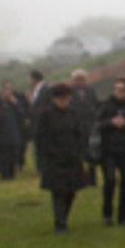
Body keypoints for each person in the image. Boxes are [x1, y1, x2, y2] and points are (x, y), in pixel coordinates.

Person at [34, 82, 88, 233]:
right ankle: (60, 223)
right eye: (61, 99)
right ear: (54, 99)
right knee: (58, 191)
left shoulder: (73, 114)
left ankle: (64, 216)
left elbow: (80, 134)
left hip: (72, 158)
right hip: (55, 159)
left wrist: (80, 151)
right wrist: (50, 153)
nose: (64, 102)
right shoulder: (46, 114)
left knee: (71, 191)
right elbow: (40, 137)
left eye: (66, 99)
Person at [96, 76, 125, 225]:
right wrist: (111, 123)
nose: (118, 93)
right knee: (110, 180)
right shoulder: (106, 106)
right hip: (109, 149)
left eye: (121, 90)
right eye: (116, 89)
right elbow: (98, 125)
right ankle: (107, 213)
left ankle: (123, 215)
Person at [0, 81, 26, 180]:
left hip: (13, 133)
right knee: (4, 155)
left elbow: (21, 114)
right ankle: (4, 173)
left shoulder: (14, 104)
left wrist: (16, 103)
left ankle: (11, 173)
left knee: (13, 154)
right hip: (2, 134)